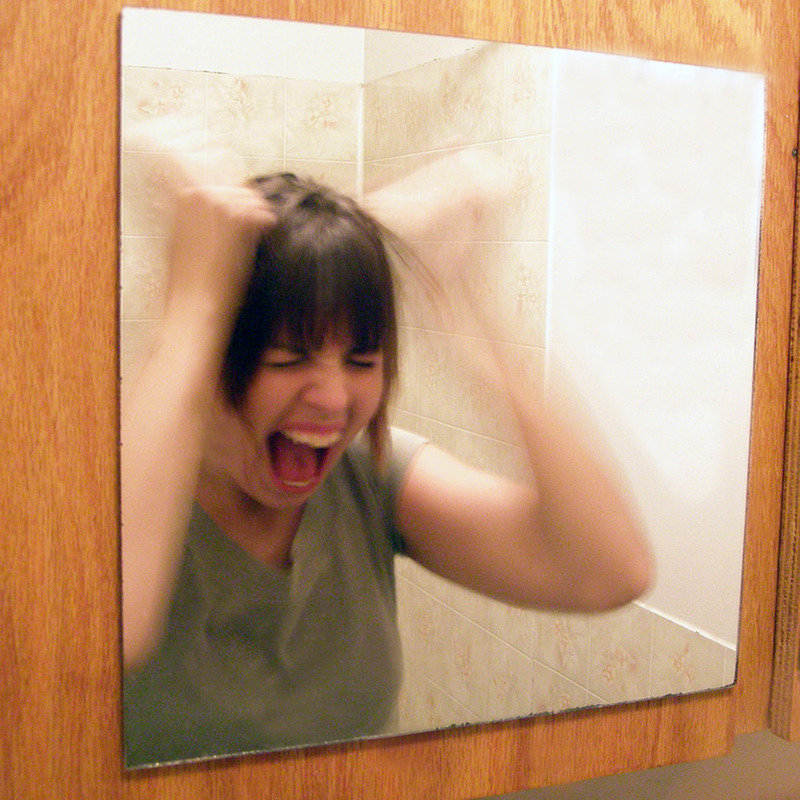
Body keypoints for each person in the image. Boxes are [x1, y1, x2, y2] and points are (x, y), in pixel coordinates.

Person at [121, 169, 653, 767]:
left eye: (362, 358)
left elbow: (608, 570)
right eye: (290, 356)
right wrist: (193, 303)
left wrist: (461, 303)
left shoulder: (368, 477)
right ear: (209, 357)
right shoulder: (133, 492)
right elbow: (102, 639)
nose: (334, 398)